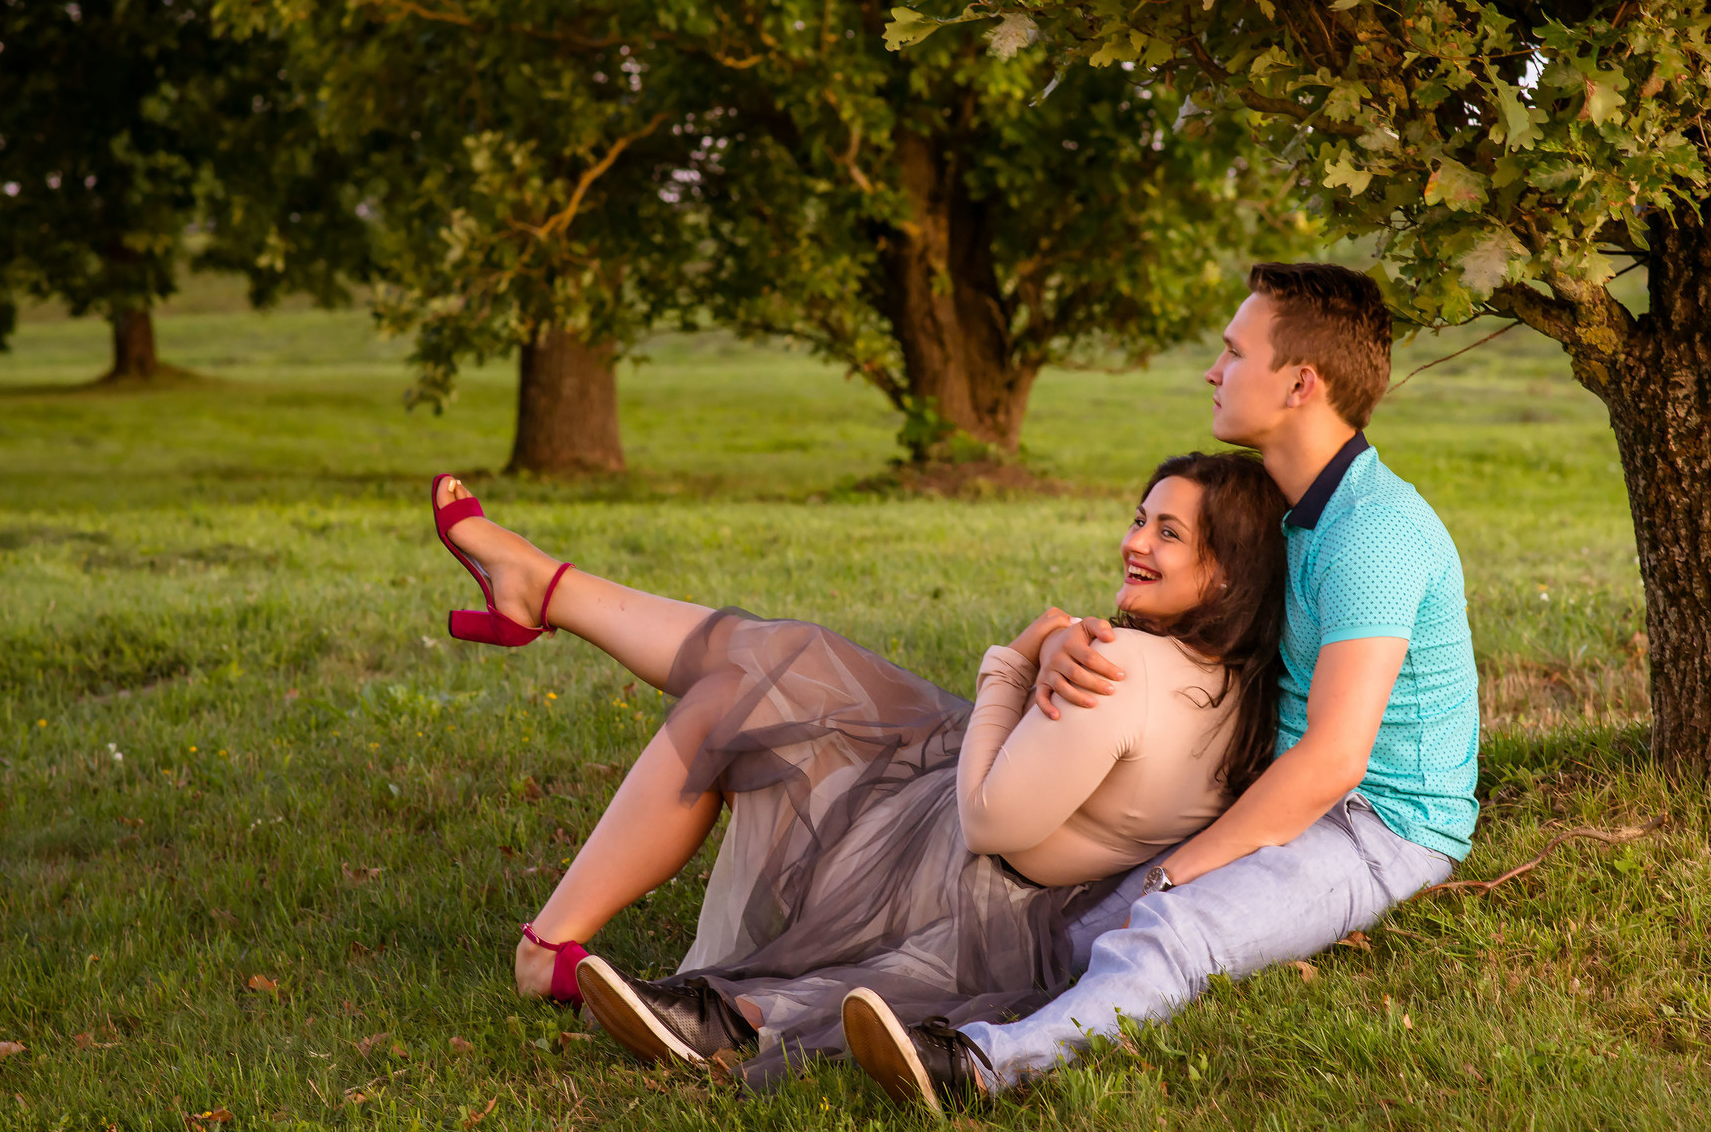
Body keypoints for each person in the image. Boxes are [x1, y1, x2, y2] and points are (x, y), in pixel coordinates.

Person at [427, 452, 1292, 1085]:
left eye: (1167, 532)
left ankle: (549, 944)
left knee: (740, 695)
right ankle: (544, 590)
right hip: (1015, 863)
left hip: (950, 856)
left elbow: (988, 819)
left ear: (1224, 578)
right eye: (1140, 517)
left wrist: (1012, 659)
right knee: (786, 661)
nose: (1134, 541)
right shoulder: (1249, 694)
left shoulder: (1121, 669)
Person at [838, 262, 1479, 1114]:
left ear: (1299, 382)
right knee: (1072, 932)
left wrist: (1180, 872)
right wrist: (1067, 639)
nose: (1214, 372)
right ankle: (840, 1007)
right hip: (1280, 787)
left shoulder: (1374, 531)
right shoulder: (1296, 513)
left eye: (1232, 352)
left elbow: (1334, 761)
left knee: (1171, 925)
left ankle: (984, 1067)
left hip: (1378, 825)